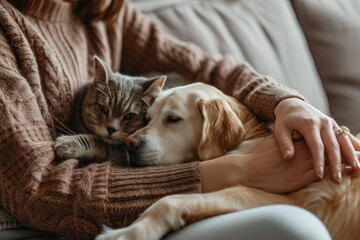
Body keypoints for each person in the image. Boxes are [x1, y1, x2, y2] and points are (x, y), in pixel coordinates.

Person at [0, 0, 359, 239]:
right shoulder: (7, 27)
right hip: (64, 219)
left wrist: (288, 103)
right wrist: (232, 171)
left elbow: (211, 68)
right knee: (293, 229)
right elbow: (39, 191)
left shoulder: (103, 12)